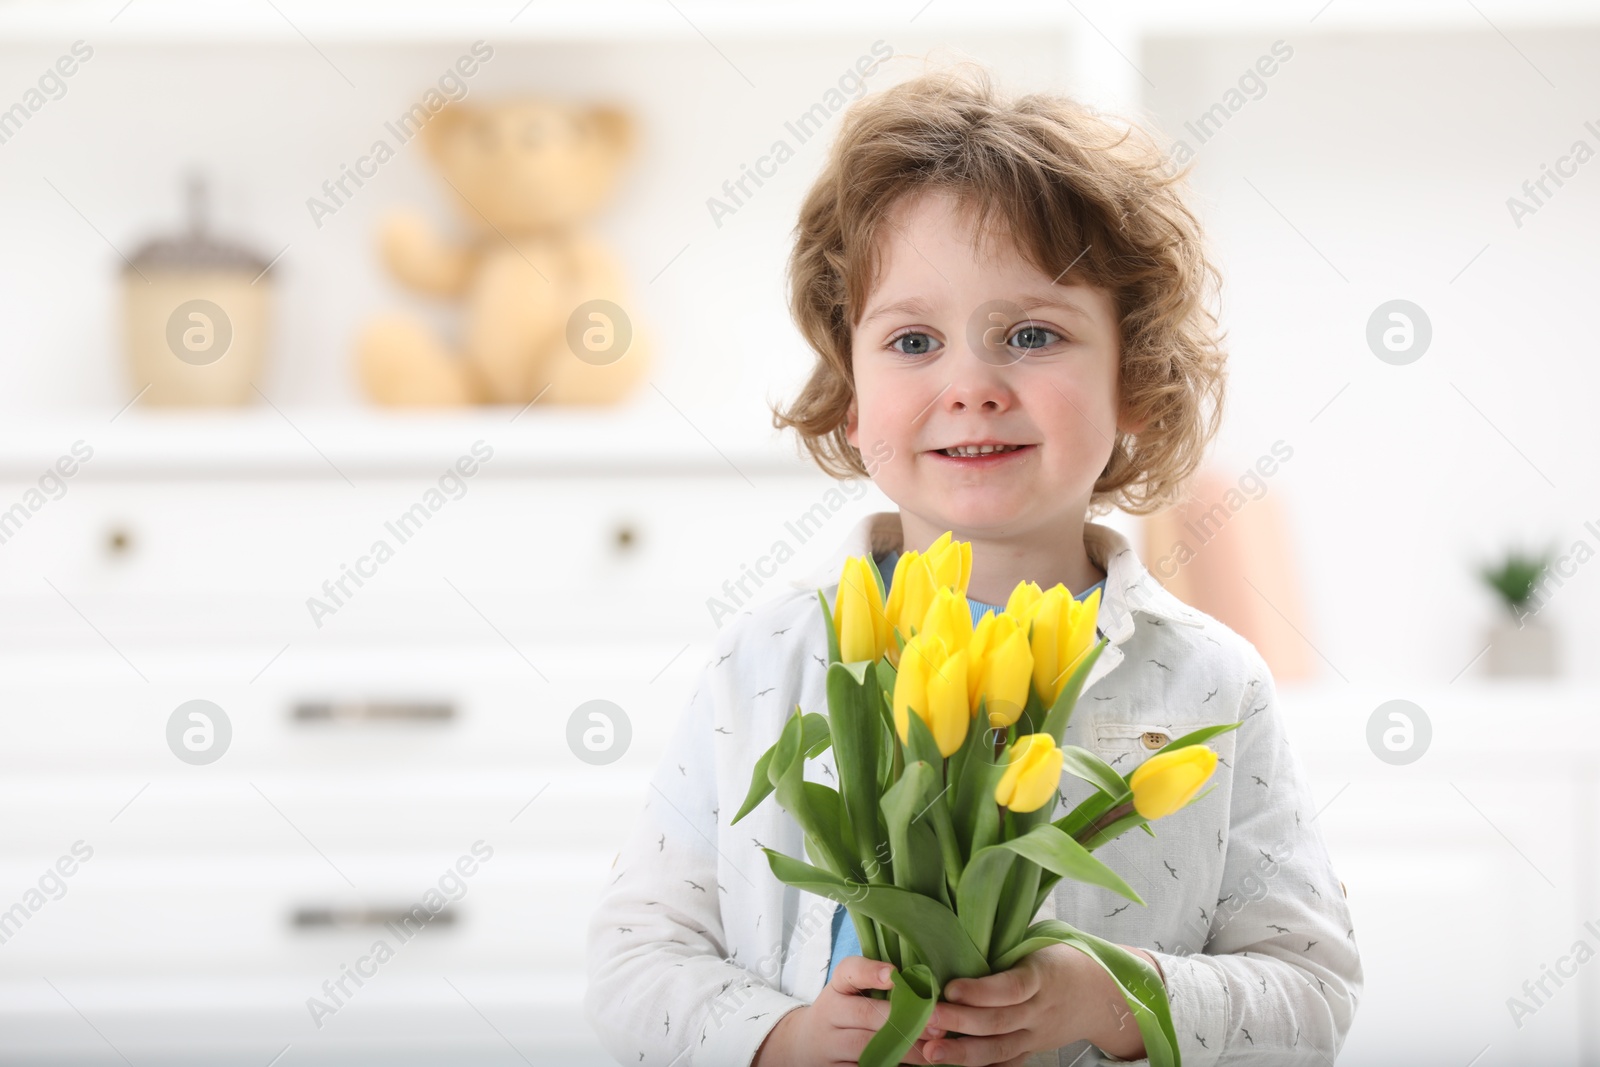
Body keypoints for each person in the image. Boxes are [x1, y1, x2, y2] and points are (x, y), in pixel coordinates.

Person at [584, 61, 1361, 1067]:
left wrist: (1111, 995)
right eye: (912, 339)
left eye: (1031, 334)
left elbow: (1309, 993)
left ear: (1132, 379)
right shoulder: (765, 659)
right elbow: (632, 961)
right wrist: (786, 1034)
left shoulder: (1208, 680)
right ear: (850, 394)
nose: (969, 385)